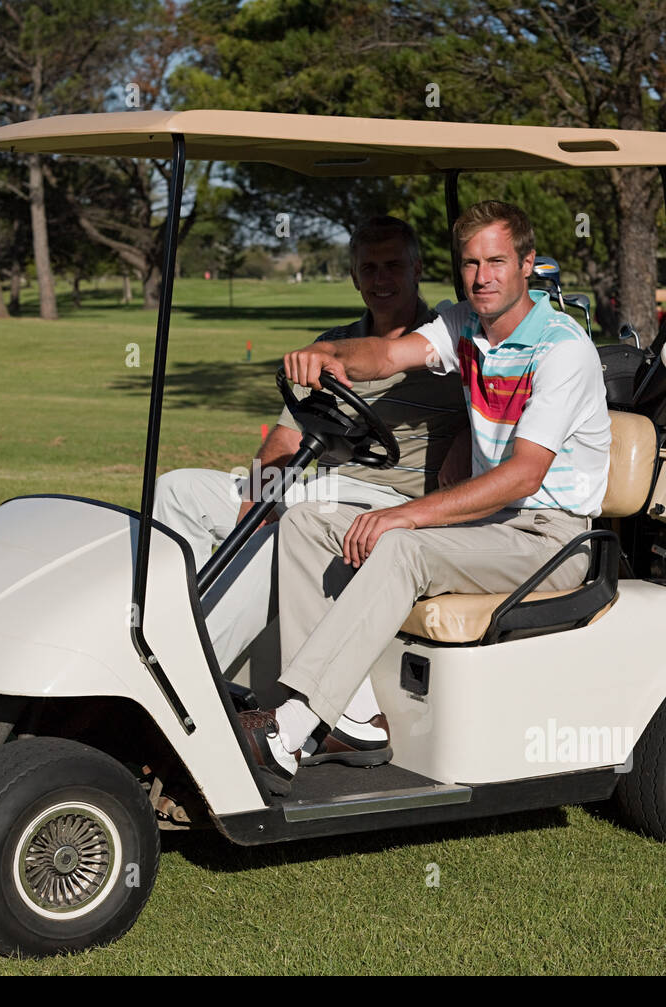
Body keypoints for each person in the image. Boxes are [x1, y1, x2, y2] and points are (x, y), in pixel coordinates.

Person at [243, 201, 612, 794]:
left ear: (527, 264)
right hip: (491, 525)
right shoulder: (467, 326)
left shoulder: (560, 348)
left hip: (551, 537)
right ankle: (354, 719)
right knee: (308, 521)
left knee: (402, 547)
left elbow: (522, 475)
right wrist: (330, 357)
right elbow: (388, 354)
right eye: (470, 263)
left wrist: (405, 515)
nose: (482, 276)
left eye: (496, 261)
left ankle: (287, 731)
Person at [153, 216, 468, 762]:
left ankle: (181, 688)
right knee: (178, 490)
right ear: (353, 276)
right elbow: (286, 434)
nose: (381, 278)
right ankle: (156, 634)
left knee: (279, 537)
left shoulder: (448, 343)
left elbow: (491, 422)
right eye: (368, 268)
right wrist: (260, 495)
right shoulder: (333, 345)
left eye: (394, 264)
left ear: (418, 268)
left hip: (396, 502)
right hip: (324, 486)